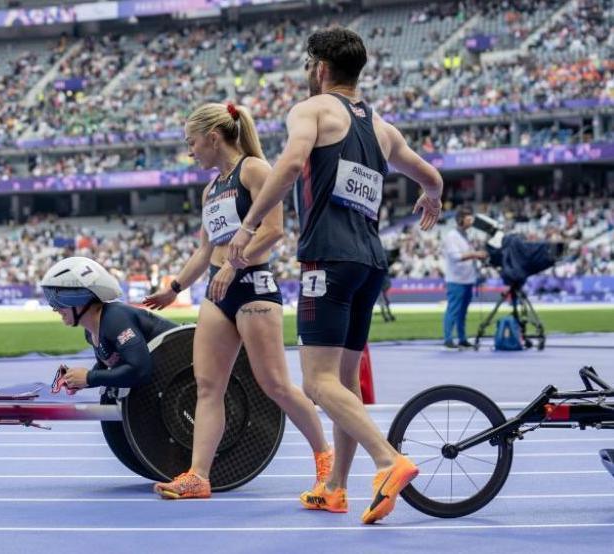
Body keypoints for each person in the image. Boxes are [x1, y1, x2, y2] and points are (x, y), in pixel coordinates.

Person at [227, 27, 443, 524]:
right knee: (344, 381)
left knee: (318, 383)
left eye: (308, 66)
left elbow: (290, 164)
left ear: (320, 68)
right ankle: (335, 488)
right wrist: (430, 196)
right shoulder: (383, 129)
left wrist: (248, 225)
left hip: (328, 261)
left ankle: (388, 461)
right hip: (370, 265)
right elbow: (431, 176)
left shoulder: (312, 110)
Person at [144, 102, 332, 500]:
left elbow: (275, 230)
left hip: (252, 287)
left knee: (275, 385)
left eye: (191, 141)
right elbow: (204, 250)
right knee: (208, 386)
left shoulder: (254, 170)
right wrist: (174, 288)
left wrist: (235, 262)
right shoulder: (210, 189)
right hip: (217, 290)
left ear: (213, 137)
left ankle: (326, 459)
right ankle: (198, 475)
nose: (189, 150)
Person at [41, 256, 176, 390]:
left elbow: (140, 371)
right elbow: (105, 367)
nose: (55, 309)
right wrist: (79, 381)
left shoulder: (115, 319)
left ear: (81, 297)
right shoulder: (90, 331)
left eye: (59, 301)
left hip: (185, 363)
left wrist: (89, 378)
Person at [442, 206, 487, 350]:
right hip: (456, 280)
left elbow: (468, 255)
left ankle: (462, 338)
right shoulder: (451, 236)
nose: (471, 222)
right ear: (460, 220)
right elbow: (455, 257)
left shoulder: (466, 235)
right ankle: (448, 339)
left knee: (463, 312)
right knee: (453, 310)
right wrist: (475, 254)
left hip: (468, 279)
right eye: (469, 219)